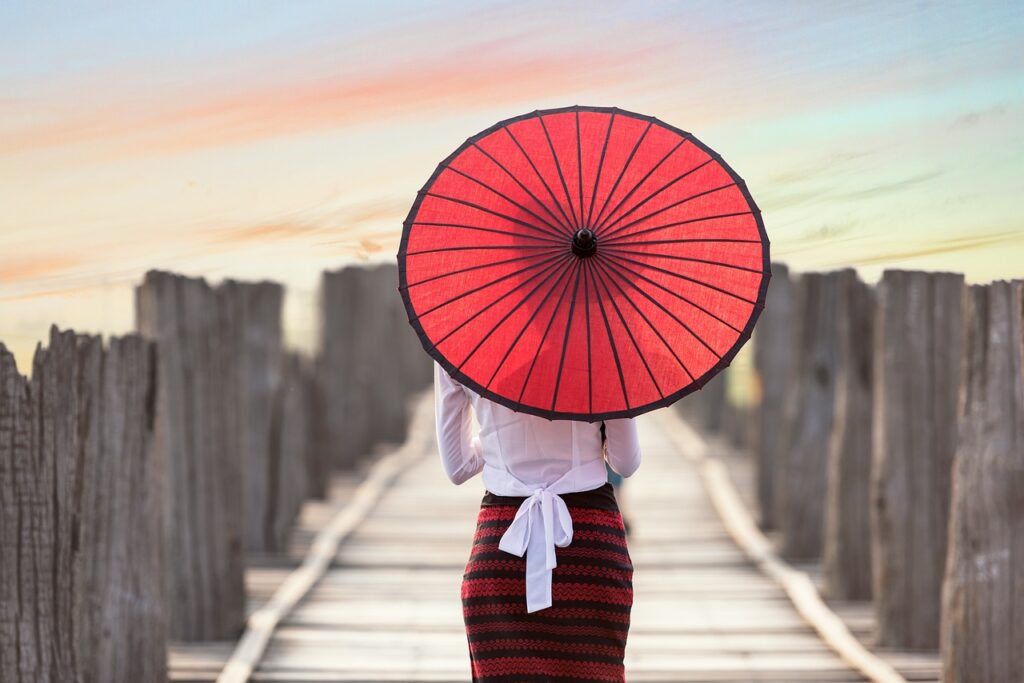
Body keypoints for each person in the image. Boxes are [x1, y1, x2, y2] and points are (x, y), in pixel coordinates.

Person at [434, 361, 641, 682]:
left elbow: (458, 466)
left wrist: (495, 439)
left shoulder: (460, 342)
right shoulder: (601, 342)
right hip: (589, 551)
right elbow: (625, 461)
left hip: (501, 553)